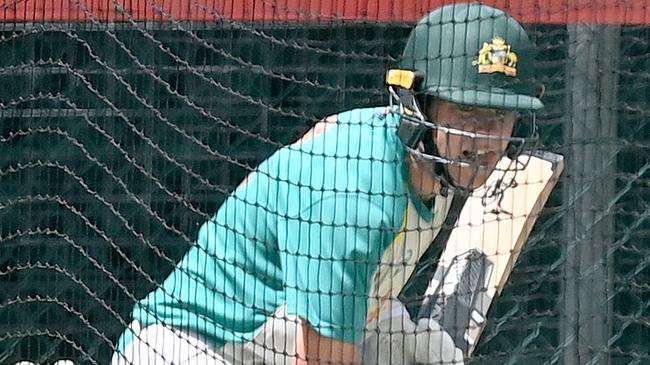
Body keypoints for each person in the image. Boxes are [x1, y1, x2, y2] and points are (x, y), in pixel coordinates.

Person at [110, 3, 543, 365]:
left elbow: (326, 130)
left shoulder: (429, 160)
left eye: (500, 117)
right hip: (188, 346)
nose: (484, 140)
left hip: (282, 331)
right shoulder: (360, 199)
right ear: (417, 107)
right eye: (466, 113)